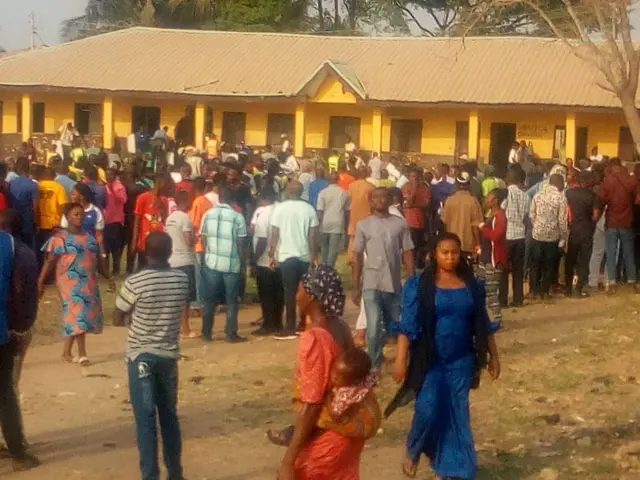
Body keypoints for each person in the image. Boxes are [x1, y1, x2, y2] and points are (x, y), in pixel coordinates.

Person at [386, 232, 501, 479]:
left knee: (458, 412)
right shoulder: (418, 285)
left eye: (455, 252)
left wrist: (494, 356)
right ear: (434, 255)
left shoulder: (472, 284)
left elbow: (482, 321)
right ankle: (414, 450)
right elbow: (407, 326)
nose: (450, 257)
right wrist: (400, 361)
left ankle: (456, 469)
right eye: (444, 252)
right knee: (427, 407)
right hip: (430, 360)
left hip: (461, 359)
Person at [277, 265, 377, 480]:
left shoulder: (314, 338)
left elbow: (312, 403)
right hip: (347, 438)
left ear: (311, 295)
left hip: (328, 441)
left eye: (299, 290)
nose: (296, 297)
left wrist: (288, 461)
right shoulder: (340, 326)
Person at [113, 231, 189, 480]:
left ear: (145, 252)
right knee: (169, 416)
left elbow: (116, 316)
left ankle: (150, 475)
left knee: (145, 421)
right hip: (168, 356)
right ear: (170, 252)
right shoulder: (181, 279)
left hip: (141, 357)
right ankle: (175, 473)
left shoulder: (135, 282)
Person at [39, 203, 113, 364]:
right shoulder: (59, 238)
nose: (79, 218)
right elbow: (49, 262)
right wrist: (40, 283)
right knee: (78, 313)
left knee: (77, 315)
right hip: (68, 282)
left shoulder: (90, 238)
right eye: (75, 214)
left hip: (88, 281)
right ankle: (82, 353)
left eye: (81, 214)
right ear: (67, 217)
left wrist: (109, 278)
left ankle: (66, 352)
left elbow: (99, 262)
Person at [352, 187, 415, 368]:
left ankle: (405, 361)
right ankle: (374, 365)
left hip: (393, 283)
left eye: (384, 197)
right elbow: (357, 256)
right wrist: (356, 285)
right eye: (376, 197)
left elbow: (408, 251)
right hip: (371, 282)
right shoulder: (363, 225)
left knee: (396, 325)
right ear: (370, 201)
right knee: (372, 327)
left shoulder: (400, 224)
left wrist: (411, 280)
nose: (380, 200)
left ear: (390, 200)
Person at [268, 347, 379, 447]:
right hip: (368, 420)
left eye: (340, 376)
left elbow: (335, 415)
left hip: (360, 427)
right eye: (334, 371)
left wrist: (328, 396)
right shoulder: (363, 378)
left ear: (352, 381)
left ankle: (292, 437)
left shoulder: (346, 394)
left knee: (316, 417)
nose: (334, 377)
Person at [0, 224, 40, 472]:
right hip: (1, 332)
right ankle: (17, 453)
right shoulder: (11, 246)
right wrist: (21, 328)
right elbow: (25, 290)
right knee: (5, 391)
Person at [269, 180, 319, 340]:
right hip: (304, 256)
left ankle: (290, 325)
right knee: (304, 291)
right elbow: (313, 236)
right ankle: (303, 323)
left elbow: (275, 233)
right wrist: (313, 256)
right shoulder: (309, 209)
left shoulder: (280, 208)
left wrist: (271, 254)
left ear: (287, 192)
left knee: (289, 292)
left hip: (286, 256)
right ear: (301, 192)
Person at [199, 186, 248, 343]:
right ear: (232, 200)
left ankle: (206, 332)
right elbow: (241, 243)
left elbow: (203, 237)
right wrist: (242, 263)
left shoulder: (208, 214)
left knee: (209, 300)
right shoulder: (237, 217)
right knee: (232, 301)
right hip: (231, 263)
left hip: (212, 262)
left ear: (219, 198)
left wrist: (208, 254)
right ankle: (230, 333)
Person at [598, 157, 638, 291]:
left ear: (611, 167)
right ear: (620, 166)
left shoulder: (607, 181)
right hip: (627, 221)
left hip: (611, 221)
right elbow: (638, 200)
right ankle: (632, 281)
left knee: (610, 251)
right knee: (628, 252)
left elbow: (601, 200)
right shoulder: (631, 180)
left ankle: (612, 282)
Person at [250, 187, 284, 336]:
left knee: (266, 294)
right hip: (282, 257)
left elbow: (262, 240)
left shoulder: (263, 214)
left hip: (265, 259)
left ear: (262, 198)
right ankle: (278, 323)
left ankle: (268, 324)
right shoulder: (281, 209)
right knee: (279, 293)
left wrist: (254, 260)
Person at [529, 174, 568, 300]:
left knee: (535, 264)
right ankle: (544, 292)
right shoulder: (561, 198)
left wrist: (537, 226)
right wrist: (563, 237)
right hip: (552, 236)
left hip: (537, 234)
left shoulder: (538, 195)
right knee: (549, 265)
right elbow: (562, 220)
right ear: (559, 184)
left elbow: (532, 214)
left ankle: (533, 290)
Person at [165, 190, 198, 338]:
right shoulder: (185, 218)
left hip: (171, 259)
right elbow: (188, 240)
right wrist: (197, 238)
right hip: (185, 259)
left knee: (174, 297)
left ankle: (174, 327)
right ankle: (185, 328)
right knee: (185, 298)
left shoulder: (169, 218)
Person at [565, 171, 601, 297]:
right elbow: (596, 216)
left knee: (570, 259)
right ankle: (579, 288)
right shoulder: (593, 196)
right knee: (584, 260)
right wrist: (591, 224)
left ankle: (567, 288)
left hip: (572, 230)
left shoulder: (569, 193)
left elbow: (565, 210)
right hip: (586, 231)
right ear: (588, 181)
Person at [132, 174, 175, 271]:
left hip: (158, 241)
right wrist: (134, 241)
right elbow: (137, 221)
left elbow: (164, 220)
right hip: (144, 241)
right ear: (159, 184)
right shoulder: (142, 197)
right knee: (142, 267)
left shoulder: (164, 200)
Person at [477, 189, 508, 323]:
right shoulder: (493, 215)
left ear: (496, 200)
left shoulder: (500, 216)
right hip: (486, 258)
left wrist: (482, 227)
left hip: (494, 260)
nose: (486, 199)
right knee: (480, 289)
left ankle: (497, 320)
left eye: (489, 196)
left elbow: (496, 236)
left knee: (490, 291)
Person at [440, 172, 484, 256]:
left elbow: (444, 223)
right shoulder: (473, 201)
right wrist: (478, 243)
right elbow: (475, 225)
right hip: (468, 245)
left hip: (451, 243)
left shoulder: (449, 200)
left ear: (456, 184)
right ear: (468, 185)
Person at [504, 168, 530, 307]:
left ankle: (503, 299)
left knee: (503, 270)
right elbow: (527, 216)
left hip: (506, 236)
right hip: (520, 236)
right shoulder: (525, 196)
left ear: (508, 179)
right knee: (517, 270)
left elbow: (501, 211)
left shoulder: (505, 194)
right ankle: (518, 299)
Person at [36, 166, 68, 269]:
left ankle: (41, 271)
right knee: (53, 251)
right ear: (53, 176)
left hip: (39, 223)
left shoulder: (37, 186)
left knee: (40, 249)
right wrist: (60, 221)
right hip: (53, 223)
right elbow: (62, 206)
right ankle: (50, 274)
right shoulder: (59, 187)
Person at [317, 172, 350, 268]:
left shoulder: (322, 193)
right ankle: (330, 269)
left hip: (325, 222)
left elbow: (320, 211)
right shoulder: (344, 192)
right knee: (333, 249)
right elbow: (347, 211)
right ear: (338, 180)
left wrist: (318, 225)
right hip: (338, 222)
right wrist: (346, 225)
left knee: (324, 248)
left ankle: (322, 269)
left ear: (327, 180)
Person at [62, 182, 105, 252]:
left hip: (89, 251)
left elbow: (99, 235)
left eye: (73, 194)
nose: (70, 196)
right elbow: (64, 231)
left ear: (82, 196)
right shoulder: (68, 210)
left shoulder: (95, 211)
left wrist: (102, 252)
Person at [401, 167, 430, 268]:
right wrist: (413, 190)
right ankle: (409, 263)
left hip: (421, 221)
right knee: (410, 245)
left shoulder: (424, 188)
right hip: (409, 221)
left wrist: (413, 205)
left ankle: (418, 263)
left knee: (420, 244)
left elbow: (426, 204)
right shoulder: (405, 187)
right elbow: (407, 203)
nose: (415, 179)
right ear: (408, 177)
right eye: (413, 177)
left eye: (417, 177)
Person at [8, 157, 38, 250]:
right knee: (28, 247)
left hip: (13, 220)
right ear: (28, 169)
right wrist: (37, 223)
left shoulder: (10, 183)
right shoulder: (33, 185)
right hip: (27, 221)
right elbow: (35, 207)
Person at [347, 166, 375, 262]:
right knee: (366, 238)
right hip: (366, 215)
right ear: (367, 174)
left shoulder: (351, 185)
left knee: (353, 236)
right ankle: (365, 257)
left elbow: (349, 199)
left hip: (354, 214)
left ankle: (352, 258)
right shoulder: (370, 187)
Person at [104, 168, 127, 275]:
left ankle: (116, 269)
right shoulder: (104, 186)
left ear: (115, 175)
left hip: (115, 221)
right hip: (105, 220)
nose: (108, 177)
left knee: (115, 248)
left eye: (110, 174)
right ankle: (106, 270)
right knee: (105, 247)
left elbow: (124, 199)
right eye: (106, 174)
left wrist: (112, 189)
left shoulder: (119, 186)